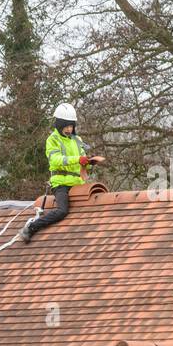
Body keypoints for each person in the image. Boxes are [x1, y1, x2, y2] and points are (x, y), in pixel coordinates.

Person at [19, 103, 104, 243]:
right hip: (61, 184)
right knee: (62, 211)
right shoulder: (52, 140)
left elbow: (82, 165)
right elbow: (56, 160)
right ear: (59, 124)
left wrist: (88, 163)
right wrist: (77, 159)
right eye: (66, 126)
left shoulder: (78, 140)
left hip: (78, 183)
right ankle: (31, 228)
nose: (69, 129)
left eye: (71, 126)